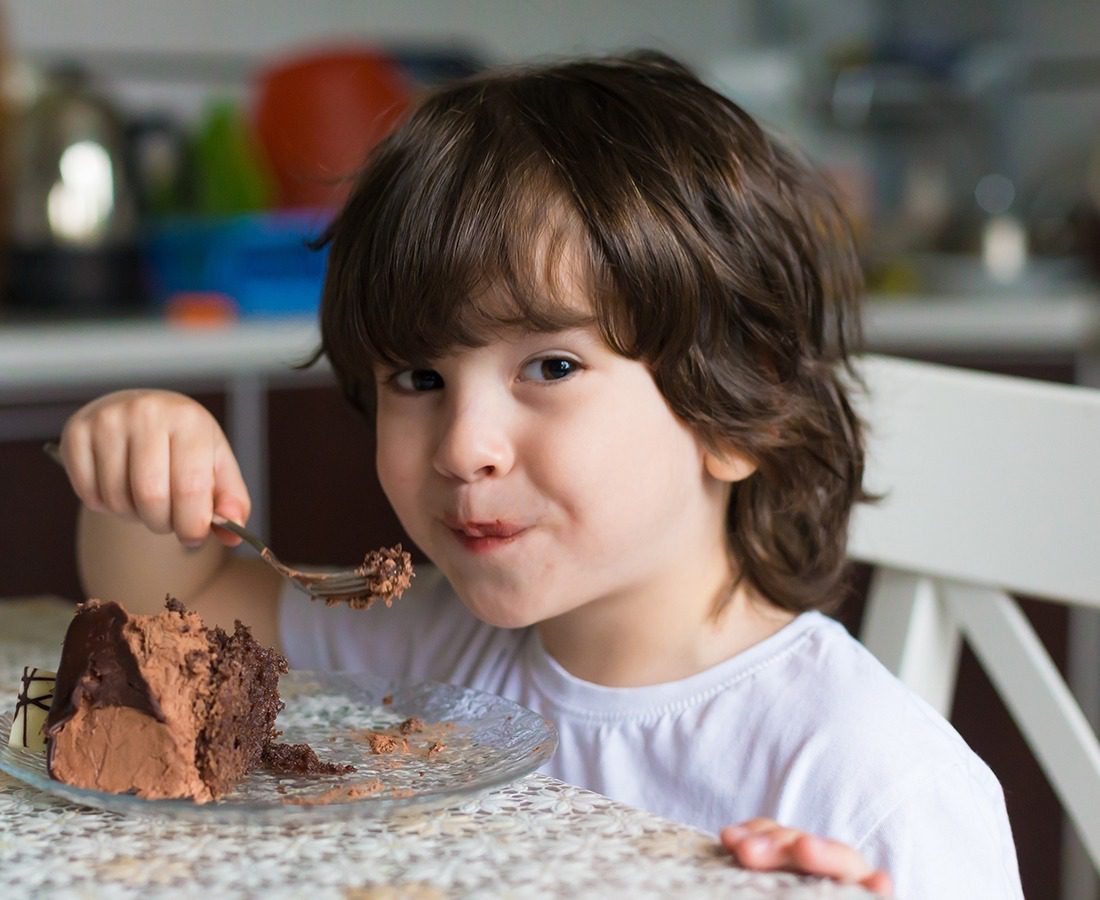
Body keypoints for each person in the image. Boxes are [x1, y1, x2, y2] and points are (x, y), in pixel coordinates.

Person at [57, 51, 1022, 898]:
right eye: (419, 377)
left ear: (738, 408)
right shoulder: (429, 655)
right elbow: (172, 604)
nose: (463, 444)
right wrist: (148, 469)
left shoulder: (870, 779)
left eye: (552, 367)